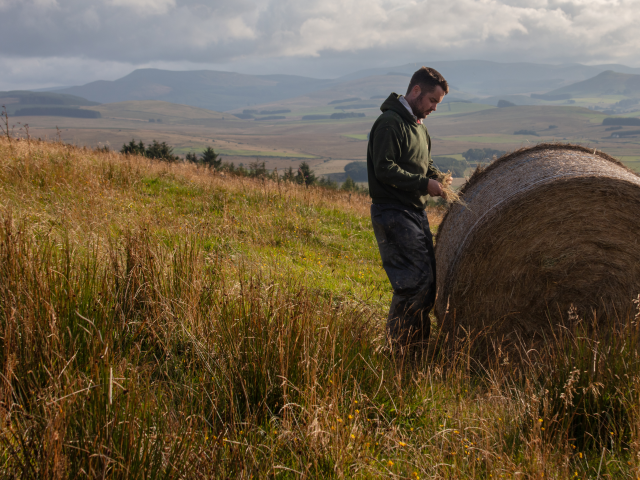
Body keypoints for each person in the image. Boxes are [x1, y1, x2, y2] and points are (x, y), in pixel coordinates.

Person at [366, 66, 450, 354]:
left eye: (437, 103)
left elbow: (423, 164)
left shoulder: (418, 126)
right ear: (416, 91)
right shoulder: (390, 123)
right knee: (412, 283)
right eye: (432, 101)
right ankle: (400, 351)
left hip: (413, 212)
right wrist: (424, 184)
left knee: (427, 280)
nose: (434, 108)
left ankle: (418, 347)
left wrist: (439, 179)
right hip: (393, 212)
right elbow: (385, 168)